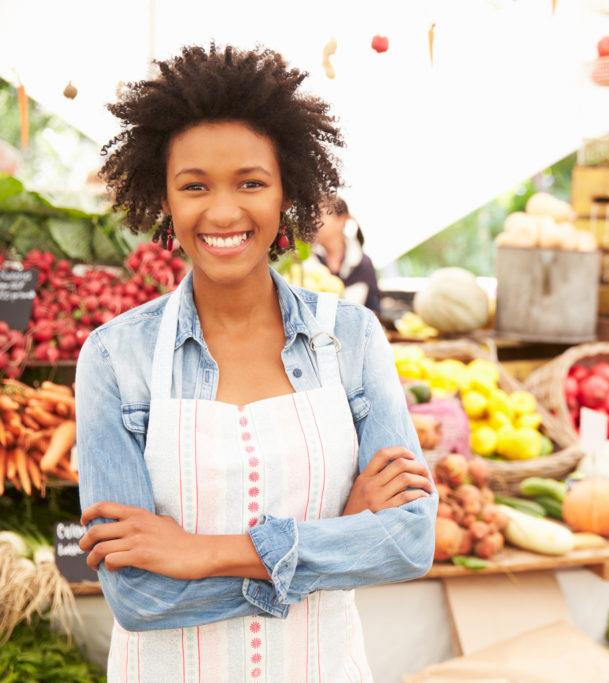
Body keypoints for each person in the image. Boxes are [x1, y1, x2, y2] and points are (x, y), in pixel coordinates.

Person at [75, 44, 436, 681]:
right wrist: (342, 535)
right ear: (163, 198)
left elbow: (407, 543)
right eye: (194, 186)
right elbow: (138, 598)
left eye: (250, 182)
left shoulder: (350, 338)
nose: (221, 212)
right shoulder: (114, 357)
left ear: (286, 191)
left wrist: (200, 553)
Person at [313, 196, 381, 314]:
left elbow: (374, 310)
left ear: (342, 220)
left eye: (320, 215)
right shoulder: (307, 262)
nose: (314, 221)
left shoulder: (363, 264)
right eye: (313, 216)